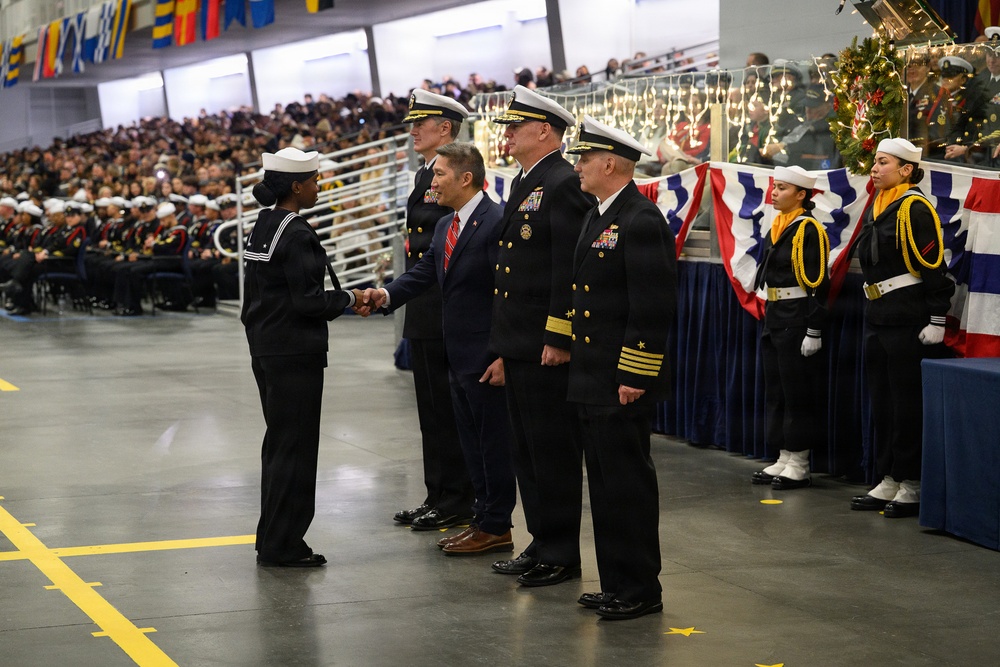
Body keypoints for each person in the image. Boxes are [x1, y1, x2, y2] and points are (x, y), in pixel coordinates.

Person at [364, 142, 516, 556]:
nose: (433, 182)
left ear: (466, 178)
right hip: (458, 354)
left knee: (493, 445)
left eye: (440, 175)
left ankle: (498, 523)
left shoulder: (495, 221)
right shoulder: (448, 224)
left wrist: (504, 351)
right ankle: (482, 519)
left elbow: (509, 294)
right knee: (470, 444)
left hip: (486, 356)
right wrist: (384, 294)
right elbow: (424, 273)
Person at [566, 115, 677, 620]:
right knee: (605, 486)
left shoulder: (641, 219)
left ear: (610, 163)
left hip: (620, 378)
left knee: (627, 485)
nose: (579, 167)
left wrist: (635, 373)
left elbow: (652, 308)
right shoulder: (597, 214)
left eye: (585, 159)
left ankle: (640, 588)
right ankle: (615, 582)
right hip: (591, 375)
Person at [241, 147, 369, 567]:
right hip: (295, 352)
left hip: (267, 348)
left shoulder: (264, 223)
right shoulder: (295, 232)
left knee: (279, 445)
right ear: (296, 186)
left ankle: (272, 537)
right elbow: (309, 302)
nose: (319, 186)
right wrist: (352, 297)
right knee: (295, 449)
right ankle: (284, 544)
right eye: (314, 180)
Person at [489, 85, 595, 588]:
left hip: (544, 343)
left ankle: (561, 551)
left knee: (550, 450)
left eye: (515, 127)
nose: (507, 135)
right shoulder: (524, 182)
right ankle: (540, 541)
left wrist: (560, 335)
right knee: (526, 451)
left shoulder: (562, 182)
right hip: (518, 340)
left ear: (544, 131)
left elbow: (566, 268)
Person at [850, 138, 954, 518]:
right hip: (878, 314)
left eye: (882, 163)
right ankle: (889, 476)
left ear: (906, 169)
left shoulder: (914, 208)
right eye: (874, 162)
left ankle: (911, 482)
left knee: (906, 404)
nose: (874, 169)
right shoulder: (880, 206)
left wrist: (937, 318)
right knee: (883, 401)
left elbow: (934, 268)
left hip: (908, 317)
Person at [391, 90, 476, 532]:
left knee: (446, 410)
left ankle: (457, 498)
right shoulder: (426, 173)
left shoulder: (453, 175)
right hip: (423, 308)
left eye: (420, 123)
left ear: (445, 127)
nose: (412, 130)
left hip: (442, 306)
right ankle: (437, 494)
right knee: (430, 412)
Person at [750, 165, 830, 490]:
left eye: (782, 188)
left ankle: (800, 461)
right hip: (776, 313)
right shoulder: (778, 227)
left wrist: (814, 329)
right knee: (777, 390)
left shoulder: (809, 229)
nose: (774, 192)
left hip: (796, 316)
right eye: (774, 186)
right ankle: (784, 453)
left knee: (797, 391)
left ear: (801, 195)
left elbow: (817, 282)